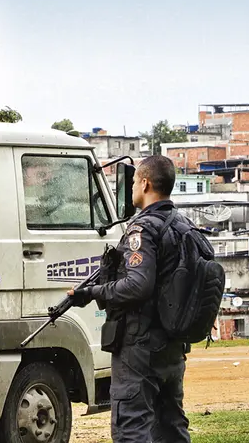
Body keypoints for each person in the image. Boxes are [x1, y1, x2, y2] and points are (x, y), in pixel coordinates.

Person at [68, 155, 191, 443]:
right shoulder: (181, 225)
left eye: (135, 181)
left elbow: (138, 285)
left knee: (131, 429)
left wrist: (92, 293)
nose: (133, 187)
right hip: (172, 346)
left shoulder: (143, 228)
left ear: (145, 183)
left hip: (139, 347)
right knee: (171, 429)